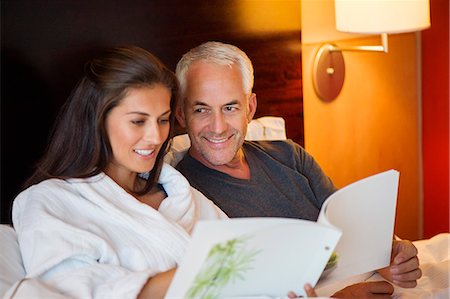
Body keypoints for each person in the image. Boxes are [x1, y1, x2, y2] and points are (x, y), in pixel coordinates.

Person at [174, 41, 422, 297]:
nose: (218, 127)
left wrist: (388, 257)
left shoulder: (289, 155)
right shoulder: (182, 197)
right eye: (201, 109)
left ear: (250, 108)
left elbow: (348, 227)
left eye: (230, 107)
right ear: (181, 113)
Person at [11, 45, 230, 299]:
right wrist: (207, 271)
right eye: (138, 121)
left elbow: (246, 255)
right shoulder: (49, 201)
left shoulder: (181, 195)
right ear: (98, 120)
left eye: (163, 119)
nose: (156, 136)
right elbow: (72, 288)